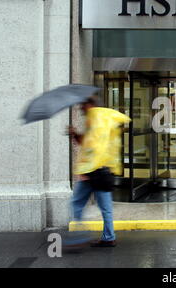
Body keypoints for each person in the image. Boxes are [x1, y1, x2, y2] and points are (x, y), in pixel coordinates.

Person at [66, 96, 131, 248]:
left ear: (89, 104)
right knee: (106, 208)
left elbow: (94, 147)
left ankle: (79, 236)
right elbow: (90, 142)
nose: (80, 108)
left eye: (82, 105)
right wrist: (75, 134)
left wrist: (86, 170)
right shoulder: (104, 118)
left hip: (94, 171)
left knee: (77, 203)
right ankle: (109, 237)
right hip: (104, 171)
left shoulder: (96, 119)